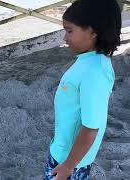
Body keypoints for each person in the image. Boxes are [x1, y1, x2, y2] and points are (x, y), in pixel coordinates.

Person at [44, 0, 121, 179]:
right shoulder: (89, 60)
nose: (65, 38)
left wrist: (69, 166)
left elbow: (91, 127)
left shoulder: (95, 72)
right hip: (64, 152)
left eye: (70, 31)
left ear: (93, 31)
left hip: (69, 162)